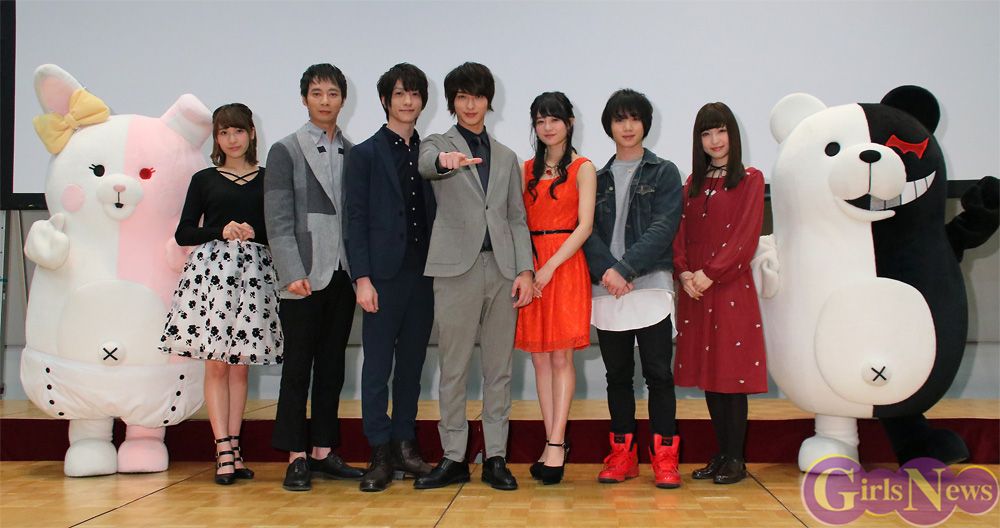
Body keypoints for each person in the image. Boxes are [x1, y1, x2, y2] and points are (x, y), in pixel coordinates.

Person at [414, 62, 534, 491]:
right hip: (454, 271)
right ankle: (453, 456)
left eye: (477, 96)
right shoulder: (437, 143)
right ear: (452, 102)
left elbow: (516, 218)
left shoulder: (506, 156)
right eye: (462, 97)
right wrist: (445, 162)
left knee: (499, 369)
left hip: (502, 271)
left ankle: (496, 456)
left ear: (488, 101)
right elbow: (427, 164)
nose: (470, 105)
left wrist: (525, 269)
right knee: (454, 367)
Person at [161, 103, 283, 485]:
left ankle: (235, 447)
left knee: (240, 366)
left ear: (251, 133)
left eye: (238, 131)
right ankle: (223, 450)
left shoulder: (269, 178)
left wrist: (254, 232)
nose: (232, 139)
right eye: (224, 133)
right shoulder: (204, 179)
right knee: (216, 364)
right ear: (216, 138)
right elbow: (184, 232)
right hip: (213, 277)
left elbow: (279, 229)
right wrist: (220, 230)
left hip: (254, 277)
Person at [264, 64, 364, 492]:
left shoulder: (353, 152)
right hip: (302, 276)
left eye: (333, 93)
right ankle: (296, 456)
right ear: (304, 98)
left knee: (331, 367)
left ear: (343, 100)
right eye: (317, 93)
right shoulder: (285, 150)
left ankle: (323, 450)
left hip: (342, 273)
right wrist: (291, 272)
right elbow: (277, 218)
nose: (325, 101)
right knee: (297, 368)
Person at [582, 89, 684, 489]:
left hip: (650, 286)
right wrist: (608, 271)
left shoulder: (664, 172)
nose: (627, 126)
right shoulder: (595, 177)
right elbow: (585, 229)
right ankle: (623, 455)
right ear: (609, 126)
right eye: (620, 119)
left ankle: (665, 459)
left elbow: (664, 227)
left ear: (645, 124)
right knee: (618, 377)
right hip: (608, 289)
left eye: (634, 118)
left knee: (659, 374)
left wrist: (624, 268)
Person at [345, 63, 436, 492]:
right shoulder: (364, 154)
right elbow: (355, 219)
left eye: (414, 94)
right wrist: (362, 278)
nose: (407, 101)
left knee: (412, 366)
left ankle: (405, 444)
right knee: (377, 367)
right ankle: (379, 452)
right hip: (381, 277)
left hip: (424, 275)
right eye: (399, 93)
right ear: (385, 100)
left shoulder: (431, 154)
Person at [672, 102, 767, 485]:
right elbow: (679, 232)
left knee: (730, 376)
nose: (714, 140)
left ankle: (736, 458)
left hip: (729, 287)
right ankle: (722, 453)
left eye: (721, 131)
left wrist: (710, 274)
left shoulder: (751, 179)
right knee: (711, 376)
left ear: (733, 134)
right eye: (707, 133)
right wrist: (683, 272)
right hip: (695, 291)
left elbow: (745, 236)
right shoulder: (691, 183)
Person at [514, 92, 595, 485]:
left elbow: (585, 226)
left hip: (564, 266)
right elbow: (516, 222)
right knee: (539, 359)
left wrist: (549, 267)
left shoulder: (583, 168)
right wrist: (529, 269)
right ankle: (552, 442)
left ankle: (557, 444)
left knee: (561, 357)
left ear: (569, 123)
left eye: (554, 119)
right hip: (531, 266)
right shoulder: (525, 169)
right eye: (540, 120)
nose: (547, 127)